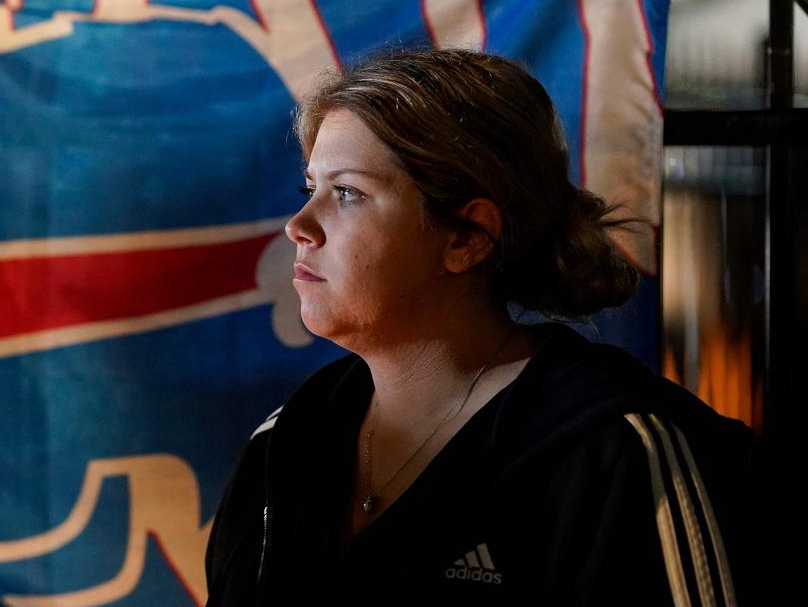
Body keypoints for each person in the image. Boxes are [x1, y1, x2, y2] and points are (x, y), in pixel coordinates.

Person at [204, 49, 753, 606]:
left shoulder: (618, 450)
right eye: (310, 189)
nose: (300, 226)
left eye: (347, 193)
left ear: (468, 238)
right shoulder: (288, 441)